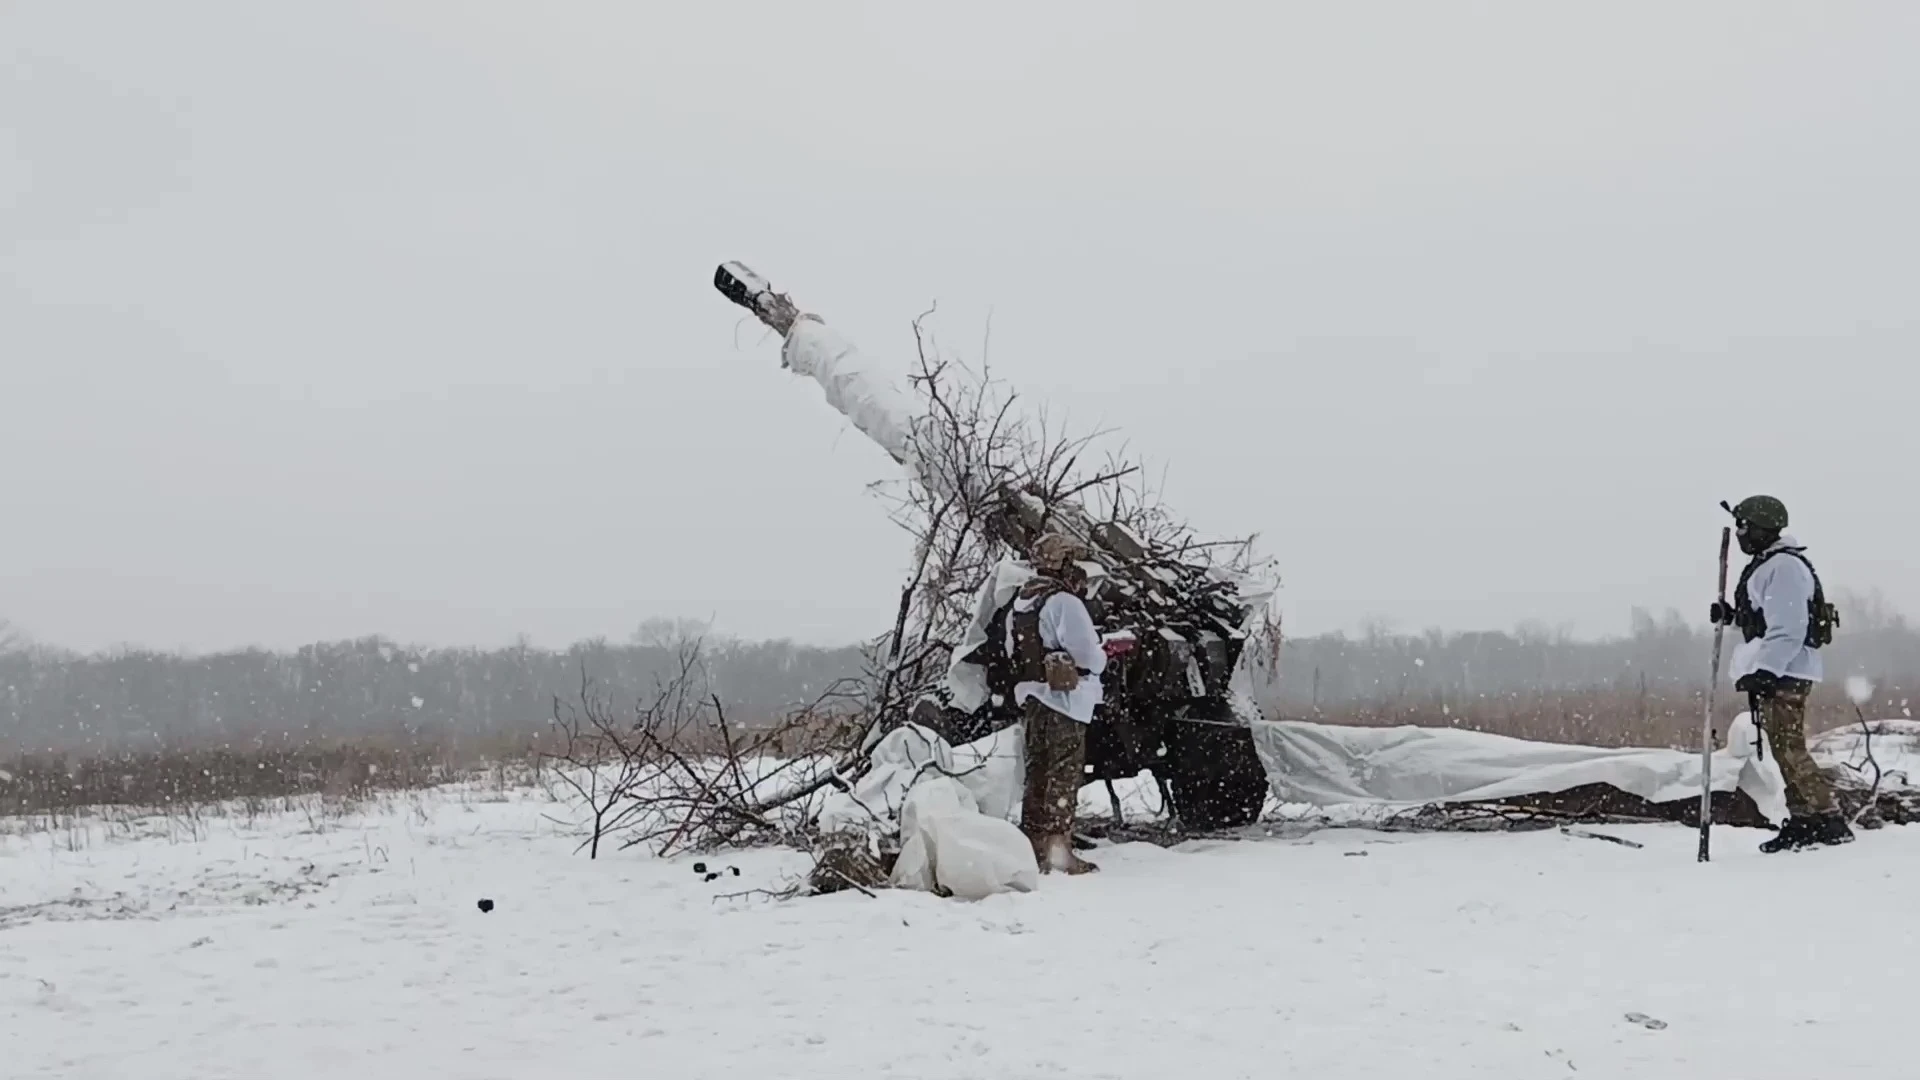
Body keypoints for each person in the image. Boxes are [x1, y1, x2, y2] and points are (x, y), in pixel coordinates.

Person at [1709, 495, 1853, 853]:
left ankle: (1827, 819)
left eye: (1744, 527)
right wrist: (1733, 615)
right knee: (1782, 748)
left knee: (1789, 749)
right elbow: (1767, 618)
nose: (1740, 534)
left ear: (1760, 528)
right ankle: (1805, 819)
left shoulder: (1784, 567)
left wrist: (1767, 671)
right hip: (1779, 669)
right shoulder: (1769, 565)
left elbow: (1788, 627)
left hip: (1786, 671)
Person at [1004, 531, 1108, 874]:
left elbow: (1010, 651)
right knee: (1063, 775)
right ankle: (1059, 851)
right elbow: (1086, 655)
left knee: (1037, 773)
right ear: (1063, 562)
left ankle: (1031, 845)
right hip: (1065, 700)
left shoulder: (1021, 602)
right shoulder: (1065, 602)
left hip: (1033, 699)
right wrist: (1103, 656)